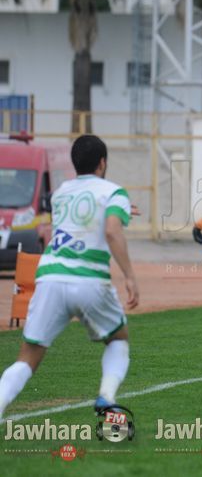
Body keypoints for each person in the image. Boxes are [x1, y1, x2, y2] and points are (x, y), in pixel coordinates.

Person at [0, 135, 139, 418]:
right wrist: (130, 276)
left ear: (75, 163)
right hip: (89, 278)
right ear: (103, 163)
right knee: (118, 339)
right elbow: (111, 231)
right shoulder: (114, 192)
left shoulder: (61, 192)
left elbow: (76, 221)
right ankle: (106, 397)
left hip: (50, 276)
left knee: (28, 356)